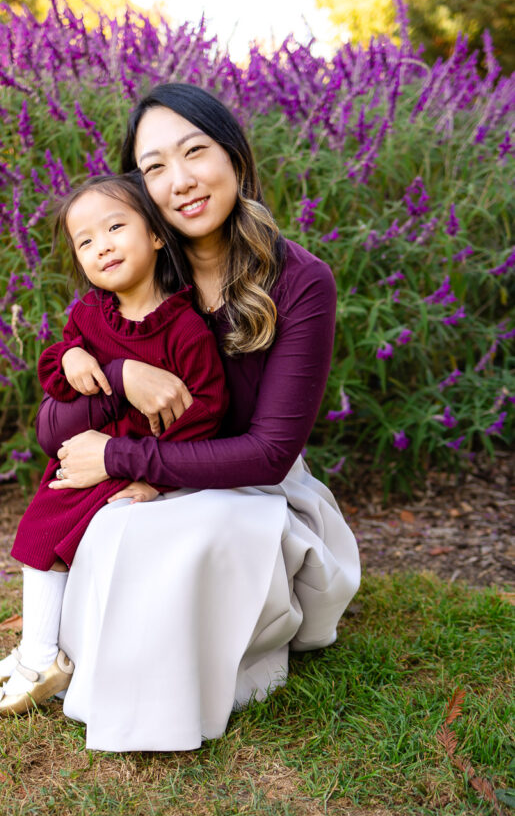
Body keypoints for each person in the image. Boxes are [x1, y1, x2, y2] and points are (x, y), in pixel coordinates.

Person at [39, 82, 361, 752]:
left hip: (251, 486)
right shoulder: (136, 266)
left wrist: (122, 455)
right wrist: (123, 376)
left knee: (190, 529)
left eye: (195, 152)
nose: (180, 180)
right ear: (138, 192)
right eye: (154, 167)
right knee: (119, 524)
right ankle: (102, 677)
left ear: (236, 157)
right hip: (150, 476)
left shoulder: (299, 280)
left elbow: (269, 452)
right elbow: (53, 431)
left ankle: (177, 693)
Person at [0, 172, 227, 715]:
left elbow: (205, 411)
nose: (102, 245)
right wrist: (70, 357)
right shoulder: (90, 314)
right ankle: (35, 651)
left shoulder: (185, 329)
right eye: (85, 241)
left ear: (157, 235)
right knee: (44, 534)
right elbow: (57, 375)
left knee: (46, 533)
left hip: (137, 462)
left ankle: (41, 657)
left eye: (115, 227)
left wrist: (152, 479)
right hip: (93, 451)